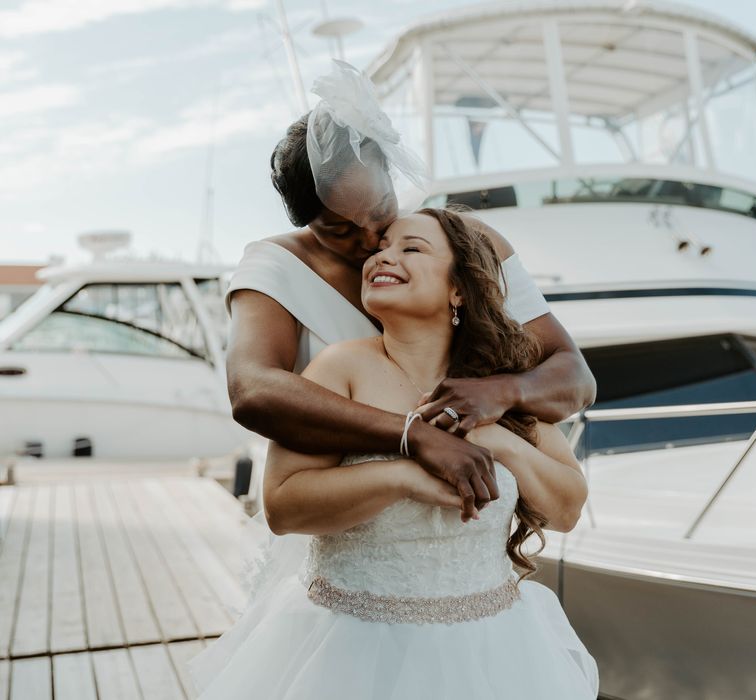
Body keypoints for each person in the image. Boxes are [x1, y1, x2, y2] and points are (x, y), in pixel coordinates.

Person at [190, 208, 599, 699]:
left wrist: (498, 439)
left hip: (491, 651)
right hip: (346, 652)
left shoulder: (500, 380)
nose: (383, 255)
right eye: (381, 248)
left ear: (458, 290)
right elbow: (281, 506)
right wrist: (402, 477)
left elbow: (568, 509)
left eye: (412, 247)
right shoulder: (340, 367)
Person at [225, 61, 595, 520]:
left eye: (380, 208)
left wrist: (503, 393)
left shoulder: (461, 247)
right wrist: (413, 436)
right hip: (340, 514)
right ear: (305, 221)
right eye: (339, 230)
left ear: (390, 175)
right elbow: (252, 391)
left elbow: (575, 378)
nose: (368, 240)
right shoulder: (276, 267)